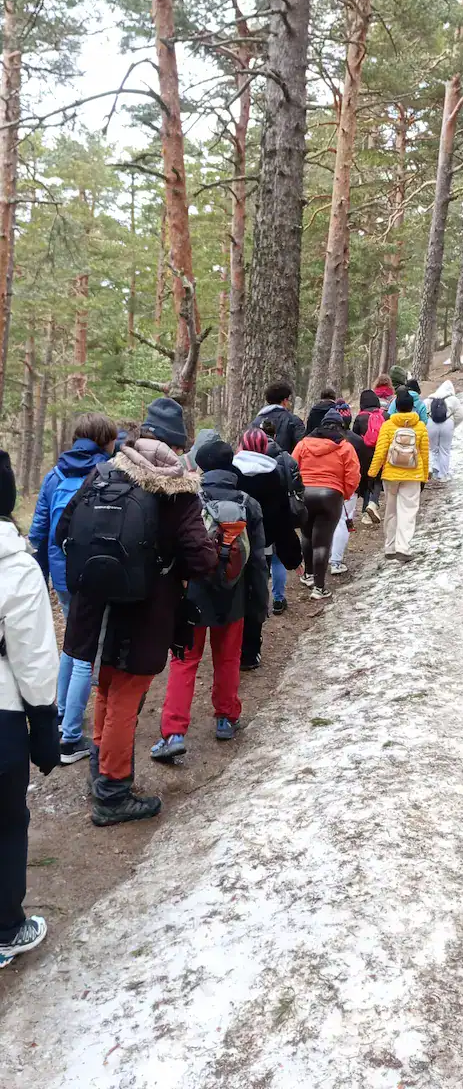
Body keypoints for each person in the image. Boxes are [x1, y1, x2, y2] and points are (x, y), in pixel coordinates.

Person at [56, 398, 218, 826]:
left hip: (96, 605)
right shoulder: (177, 488)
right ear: (177, 445)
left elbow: (62, 531)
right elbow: (201, 558)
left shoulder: (104, 471)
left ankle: (100, 771)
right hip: (146, 611)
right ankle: (112, 793)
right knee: (126, 697)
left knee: (107, 688)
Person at [151, 441, 268, 762]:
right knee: (228, 659)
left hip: (192, 595)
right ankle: (226, 719)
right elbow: (257, 562)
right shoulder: (248, 503)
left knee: (184, 661)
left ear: (200, 467)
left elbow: (172, 553)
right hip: (234, 597)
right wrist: (259, 604)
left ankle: (174, 733)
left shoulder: (188, 501)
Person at [29, 412, 118, 765]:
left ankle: (62, 713)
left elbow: (39, 530)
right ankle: (70, 738)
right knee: (85, 652)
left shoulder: (55, 475)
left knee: (71, 642)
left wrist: (41, 576)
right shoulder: (106, 473)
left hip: (62, 573)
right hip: (92, 573)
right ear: (104, 440)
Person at [0, 451, 60, 968]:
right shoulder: (16, 567)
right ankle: (5, 929)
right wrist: (44, 723)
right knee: (6, 821)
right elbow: (34, 657)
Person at [233, 428, 302, 665]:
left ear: (242, 445)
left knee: (234, 594)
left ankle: (231, 648)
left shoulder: (232, 471)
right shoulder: (273, 474)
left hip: (232, 543)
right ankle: (250, 651)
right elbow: (283, 517)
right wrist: (292, 555)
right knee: (256, 596)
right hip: (263, 545)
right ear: (264, 447)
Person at [292, 409, 359, 599]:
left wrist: (296, 491)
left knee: (307, 535)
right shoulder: (345, 447)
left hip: (306, 493)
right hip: (331, 495)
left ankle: (308, 574)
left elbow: (292, 467)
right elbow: (353, 475)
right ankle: (319, 588)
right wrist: (344, 494)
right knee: (322, 541)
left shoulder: (303, 444)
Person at [368, 388, 429, 562]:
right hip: (413, 475)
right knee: (408, 511)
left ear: (396, 407)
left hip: (391, 474)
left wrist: (372, 474)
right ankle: (403, 547)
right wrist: (424, 476)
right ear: (412, 407)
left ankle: (390, 547)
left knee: (391, 510)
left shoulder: (388, 426)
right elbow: (425, 454)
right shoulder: (420, 427)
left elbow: (380, 452)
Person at [258, 418, 306, 614]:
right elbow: (298, 485)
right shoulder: (286, 458)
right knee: (278, 558)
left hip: (258, 516)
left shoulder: (249, 459)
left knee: (260, 560)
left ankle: (260, 601)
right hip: (281, 513)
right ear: (275, 435)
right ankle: (278, 599)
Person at [328, 400, 364, 574]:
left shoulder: (319, 441)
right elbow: (360, 467)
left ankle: (323, 557)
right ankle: (335, 560)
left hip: (326, 486)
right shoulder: (356, 441)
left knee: (327, 522)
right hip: (348, 489)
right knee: (343, 521)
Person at [352, 389, 387, 525]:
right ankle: (372, 504)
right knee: (378, 480)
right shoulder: (386, 415)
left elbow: (355, 437)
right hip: (382, 452)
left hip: (365, 454)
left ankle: (366, 510)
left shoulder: (360, 417)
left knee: (367, 480)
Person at [424, 379, 463, 481]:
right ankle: (443, 475)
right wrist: (453, 425)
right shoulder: (453, 399)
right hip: (447, 424)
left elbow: (423, 413)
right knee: (445, 450)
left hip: (431, 423)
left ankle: (431, 468)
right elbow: (460, 415)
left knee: (432, 449)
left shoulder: (429, 399)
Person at [252, 380, 305, 454]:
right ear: (284, 401)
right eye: (289, 400)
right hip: (285, 460)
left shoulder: (256, 422)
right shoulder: (293, 421)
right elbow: (301, 448)